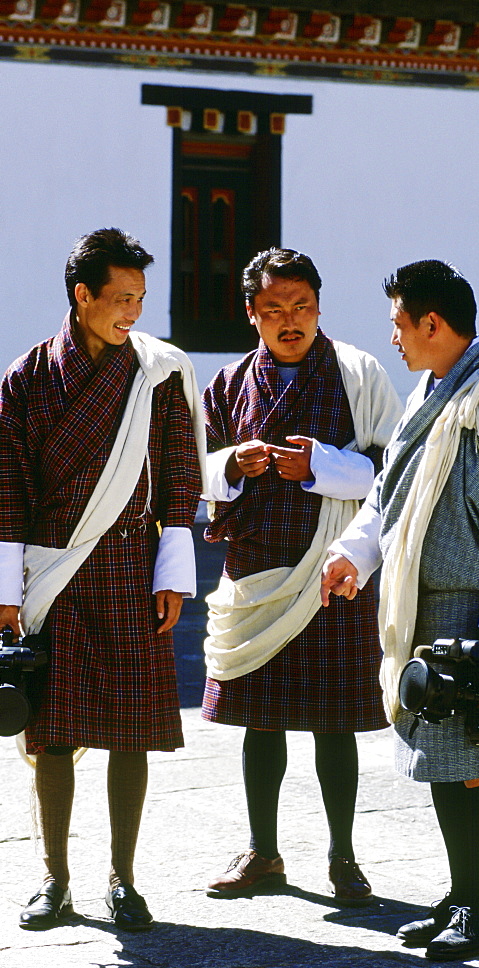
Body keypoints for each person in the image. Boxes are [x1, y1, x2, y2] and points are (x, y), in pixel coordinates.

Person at [321, 260, 479, 961]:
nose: (393, 339)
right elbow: (388, 500)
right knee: (442, 758)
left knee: (476, 762)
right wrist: (352, 556)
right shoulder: (428, 394)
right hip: (422, 612)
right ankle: (461, 894)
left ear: (431, 322)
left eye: (398, 324)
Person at [0, 228, 205, 931]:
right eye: (121, 299)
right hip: (53, 568)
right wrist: (6, 591)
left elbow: (181, 477)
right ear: (82, 296)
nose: (132, 315)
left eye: (140, 300)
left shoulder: (156, 373)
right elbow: (6, 490)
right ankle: (55, 879)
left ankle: (123, 878)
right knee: (51, 732)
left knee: (130, 733)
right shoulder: (26, 376)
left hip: (128, 564)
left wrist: (173, 572)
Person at [201, 247, 402, 904]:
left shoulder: (358, 373)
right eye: (275, 309)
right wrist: (234, 464)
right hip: (258, 571)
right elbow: (197, 477)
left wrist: (319, 467)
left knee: (332, 723)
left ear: (319, 307)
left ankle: (344, 858)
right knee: (261, 722)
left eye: (303, 307)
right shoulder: (227, 385)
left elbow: (393, 472)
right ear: (251, 313)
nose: (291, 321)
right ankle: (263, 853)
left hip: (332, 572)